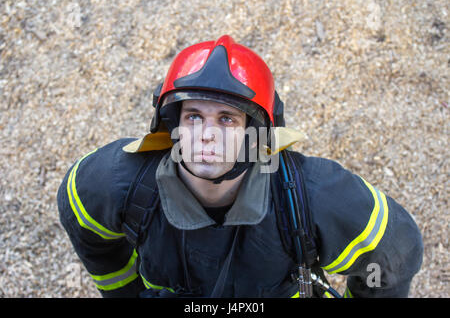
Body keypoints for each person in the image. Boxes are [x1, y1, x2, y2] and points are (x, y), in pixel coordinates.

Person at [57, 35, 423, 298]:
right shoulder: (113, 183)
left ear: (257, 133)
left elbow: (397, 251)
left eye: (228, 120)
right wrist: (122, 290)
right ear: (172, 124)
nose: (207, 136)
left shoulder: (315, 197)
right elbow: (79, 214)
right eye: (194, 115)